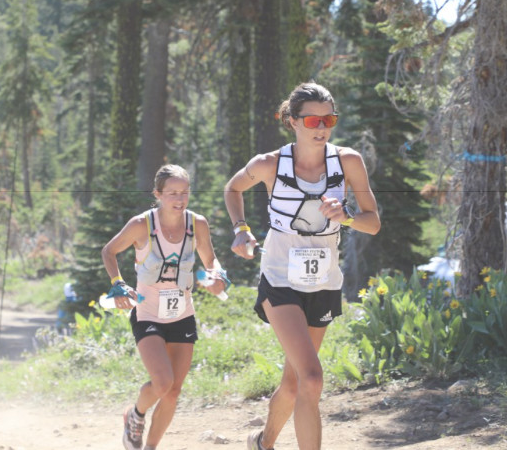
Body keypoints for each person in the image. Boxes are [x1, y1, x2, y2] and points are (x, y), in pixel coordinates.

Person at [224, 82, 380, 450]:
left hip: (323, 282)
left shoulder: (348, 161)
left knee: (295, 383)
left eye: (329, 119)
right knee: (312, 378)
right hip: (280, 279)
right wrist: (241, 229)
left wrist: (347, 217)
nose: (321, 127)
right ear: (292, 121)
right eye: (312, 120)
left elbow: (372, 223)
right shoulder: (269, 164)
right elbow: (232, 189)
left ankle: (262, 443)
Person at [101, 164, 227, 450]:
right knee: (162, 383)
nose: (179, 199)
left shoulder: (197, 224)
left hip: (182, 315)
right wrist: (118, 283)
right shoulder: (141, 224)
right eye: (172, 193)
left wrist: (216, 276)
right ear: (158, 194)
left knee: (173, 392)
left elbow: (210, 260)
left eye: (184, 192)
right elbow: (109, 251)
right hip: (147, 313)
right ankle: (136, 415)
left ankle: (150, 447)